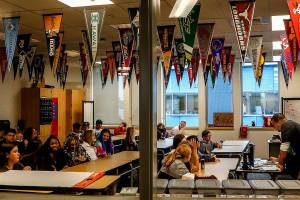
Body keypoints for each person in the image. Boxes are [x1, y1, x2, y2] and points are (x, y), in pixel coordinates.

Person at [270, 113, 300, 179]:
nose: (275, 128)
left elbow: (284, 151)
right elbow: (287, 150)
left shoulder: (286, 127)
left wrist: (279, 164)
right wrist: (278, 159)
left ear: (278, 120)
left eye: (274, 125)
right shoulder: (290, 124)